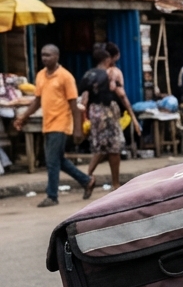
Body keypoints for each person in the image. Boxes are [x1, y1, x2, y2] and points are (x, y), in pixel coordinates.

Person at [13, 44, 93, 205]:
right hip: (47, 123)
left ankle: (52, 196)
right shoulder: (41, 75)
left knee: (51, 161)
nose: (44, 58)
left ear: (56, 56)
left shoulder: (66, 77)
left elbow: (73, 105)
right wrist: (23, 117)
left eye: (48, 55)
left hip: (61, 123)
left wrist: (78, 129)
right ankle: (86, 181)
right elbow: (37, 101)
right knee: (57, 160)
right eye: (42, 55)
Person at [80, 44, 141, 192]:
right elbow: (121, 95)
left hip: (94, 112)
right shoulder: (111, 74)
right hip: (108, 110)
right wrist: (133, 118)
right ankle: (115, 184)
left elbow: (84, 100)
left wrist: (83, 120)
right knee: (114, 148)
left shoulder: (89, 74)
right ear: (107, 59)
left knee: (100, 148)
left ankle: (87, 178)